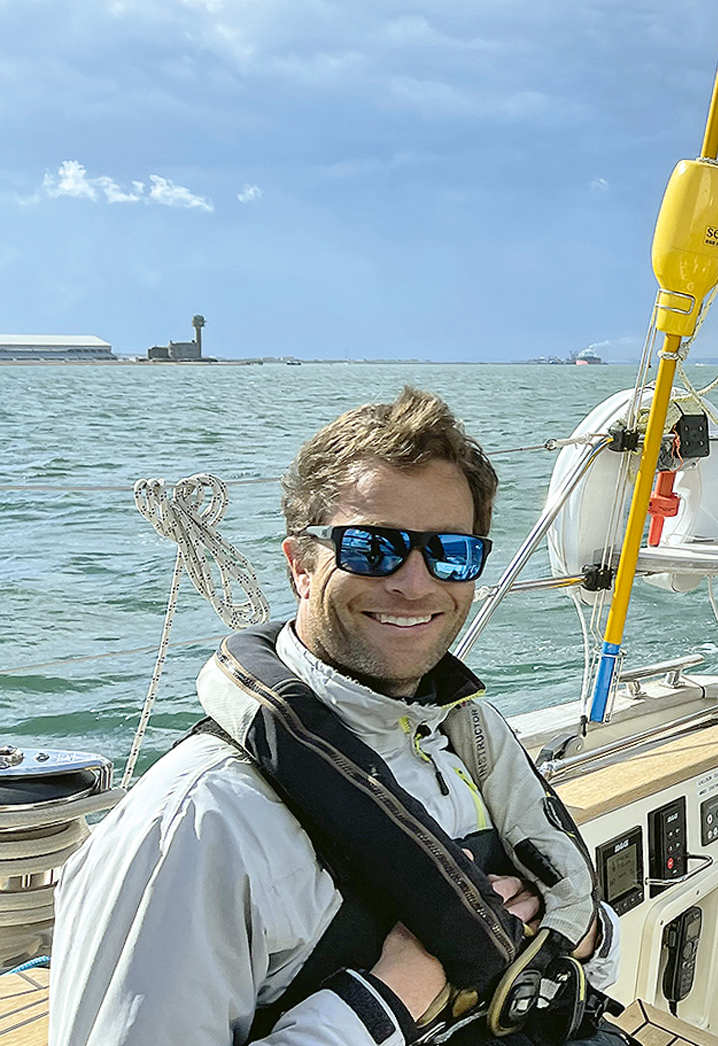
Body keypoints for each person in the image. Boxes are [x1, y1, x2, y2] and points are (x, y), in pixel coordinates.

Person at [52, 388, 623, 1046]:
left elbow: (589, 969)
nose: (415, 582)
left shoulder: (460, 743)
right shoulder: (195, 825)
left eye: (451, 552)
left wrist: (580, 934)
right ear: (300, 564)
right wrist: (378, 1003)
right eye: (373, 549)